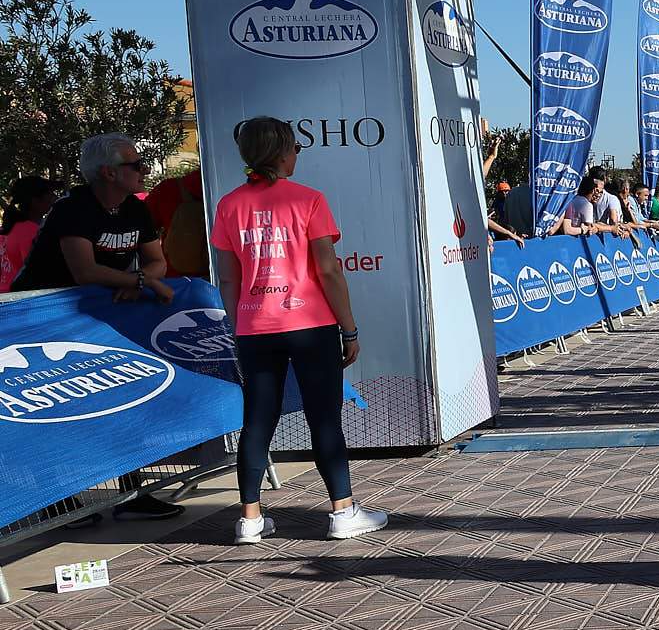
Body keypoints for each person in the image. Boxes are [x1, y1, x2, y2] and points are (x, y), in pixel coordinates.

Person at [209, 117, 387, 545]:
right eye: (295, 147)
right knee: (323, 417)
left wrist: (239, 328)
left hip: (255, 326)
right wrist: (350, 329)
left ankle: (249, 520)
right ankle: (342, 511)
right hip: (310, 324)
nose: (298, 154)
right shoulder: (309, 200)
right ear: (283, 152)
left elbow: (228, 278)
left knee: (257, 418)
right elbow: (328, 269)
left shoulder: (229, 205)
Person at [11, 135, 181, 519]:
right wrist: (137, 282)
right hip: (41, 320)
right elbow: (84, 270)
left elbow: (158, 263)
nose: (144, 170)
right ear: (108, 172)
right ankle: (56, 501)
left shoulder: (137, 210)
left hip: (93, 317)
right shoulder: (72, 209)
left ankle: (133, 494)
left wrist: (137, 279)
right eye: (135, 165)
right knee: (52, 409)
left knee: (122, 397)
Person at [0, 175, 59, 291]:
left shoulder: (7, 229)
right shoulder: (31, 231)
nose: (56, 197)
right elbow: (38, 273)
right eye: (51, 194)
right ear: (35, 201)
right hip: (20, 300)